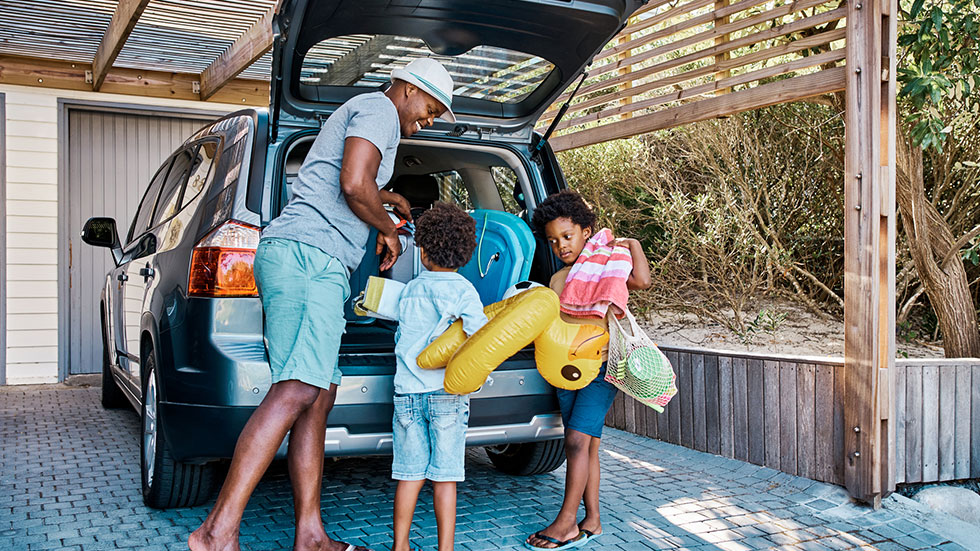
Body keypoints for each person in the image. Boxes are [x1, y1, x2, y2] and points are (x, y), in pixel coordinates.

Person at [189, 57, 458, 551]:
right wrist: (387, 229)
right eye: (431, 108)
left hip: (318, 265)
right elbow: (354, 183)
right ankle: (215, 532)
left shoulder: (372, 113)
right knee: (295, 391)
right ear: (407, 88)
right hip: (308, 259)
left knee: (318, 398)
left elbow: (355, 180)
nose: (430, 120)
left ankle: (310, 536)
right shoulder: (379, 108)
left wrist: (389, 197)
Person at [525, 190, 651, 550]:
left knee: (576, 441)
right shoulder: (558, 279)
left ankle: (566, 523)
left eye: (567, 236)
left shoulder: (608, 266)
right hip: (566, 370)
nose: (561, 245)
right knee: (587, 446)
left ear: (586, 231)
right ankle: (592, 521)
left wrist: (634, 244)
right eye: (553, 241)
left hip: (601, 367)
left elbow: (642, 282)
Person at [389, 202, 488, 551]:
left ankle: (400, 545)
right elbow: (481, 336)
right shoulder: (462, 290)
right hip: (446, 393)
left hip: (406, 393)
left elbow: (401, 336)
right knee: (445, 477)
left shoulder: (411, 289)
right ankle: (445, 548)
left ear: (424, 250)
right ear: (463, 254)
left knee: (409, 474)